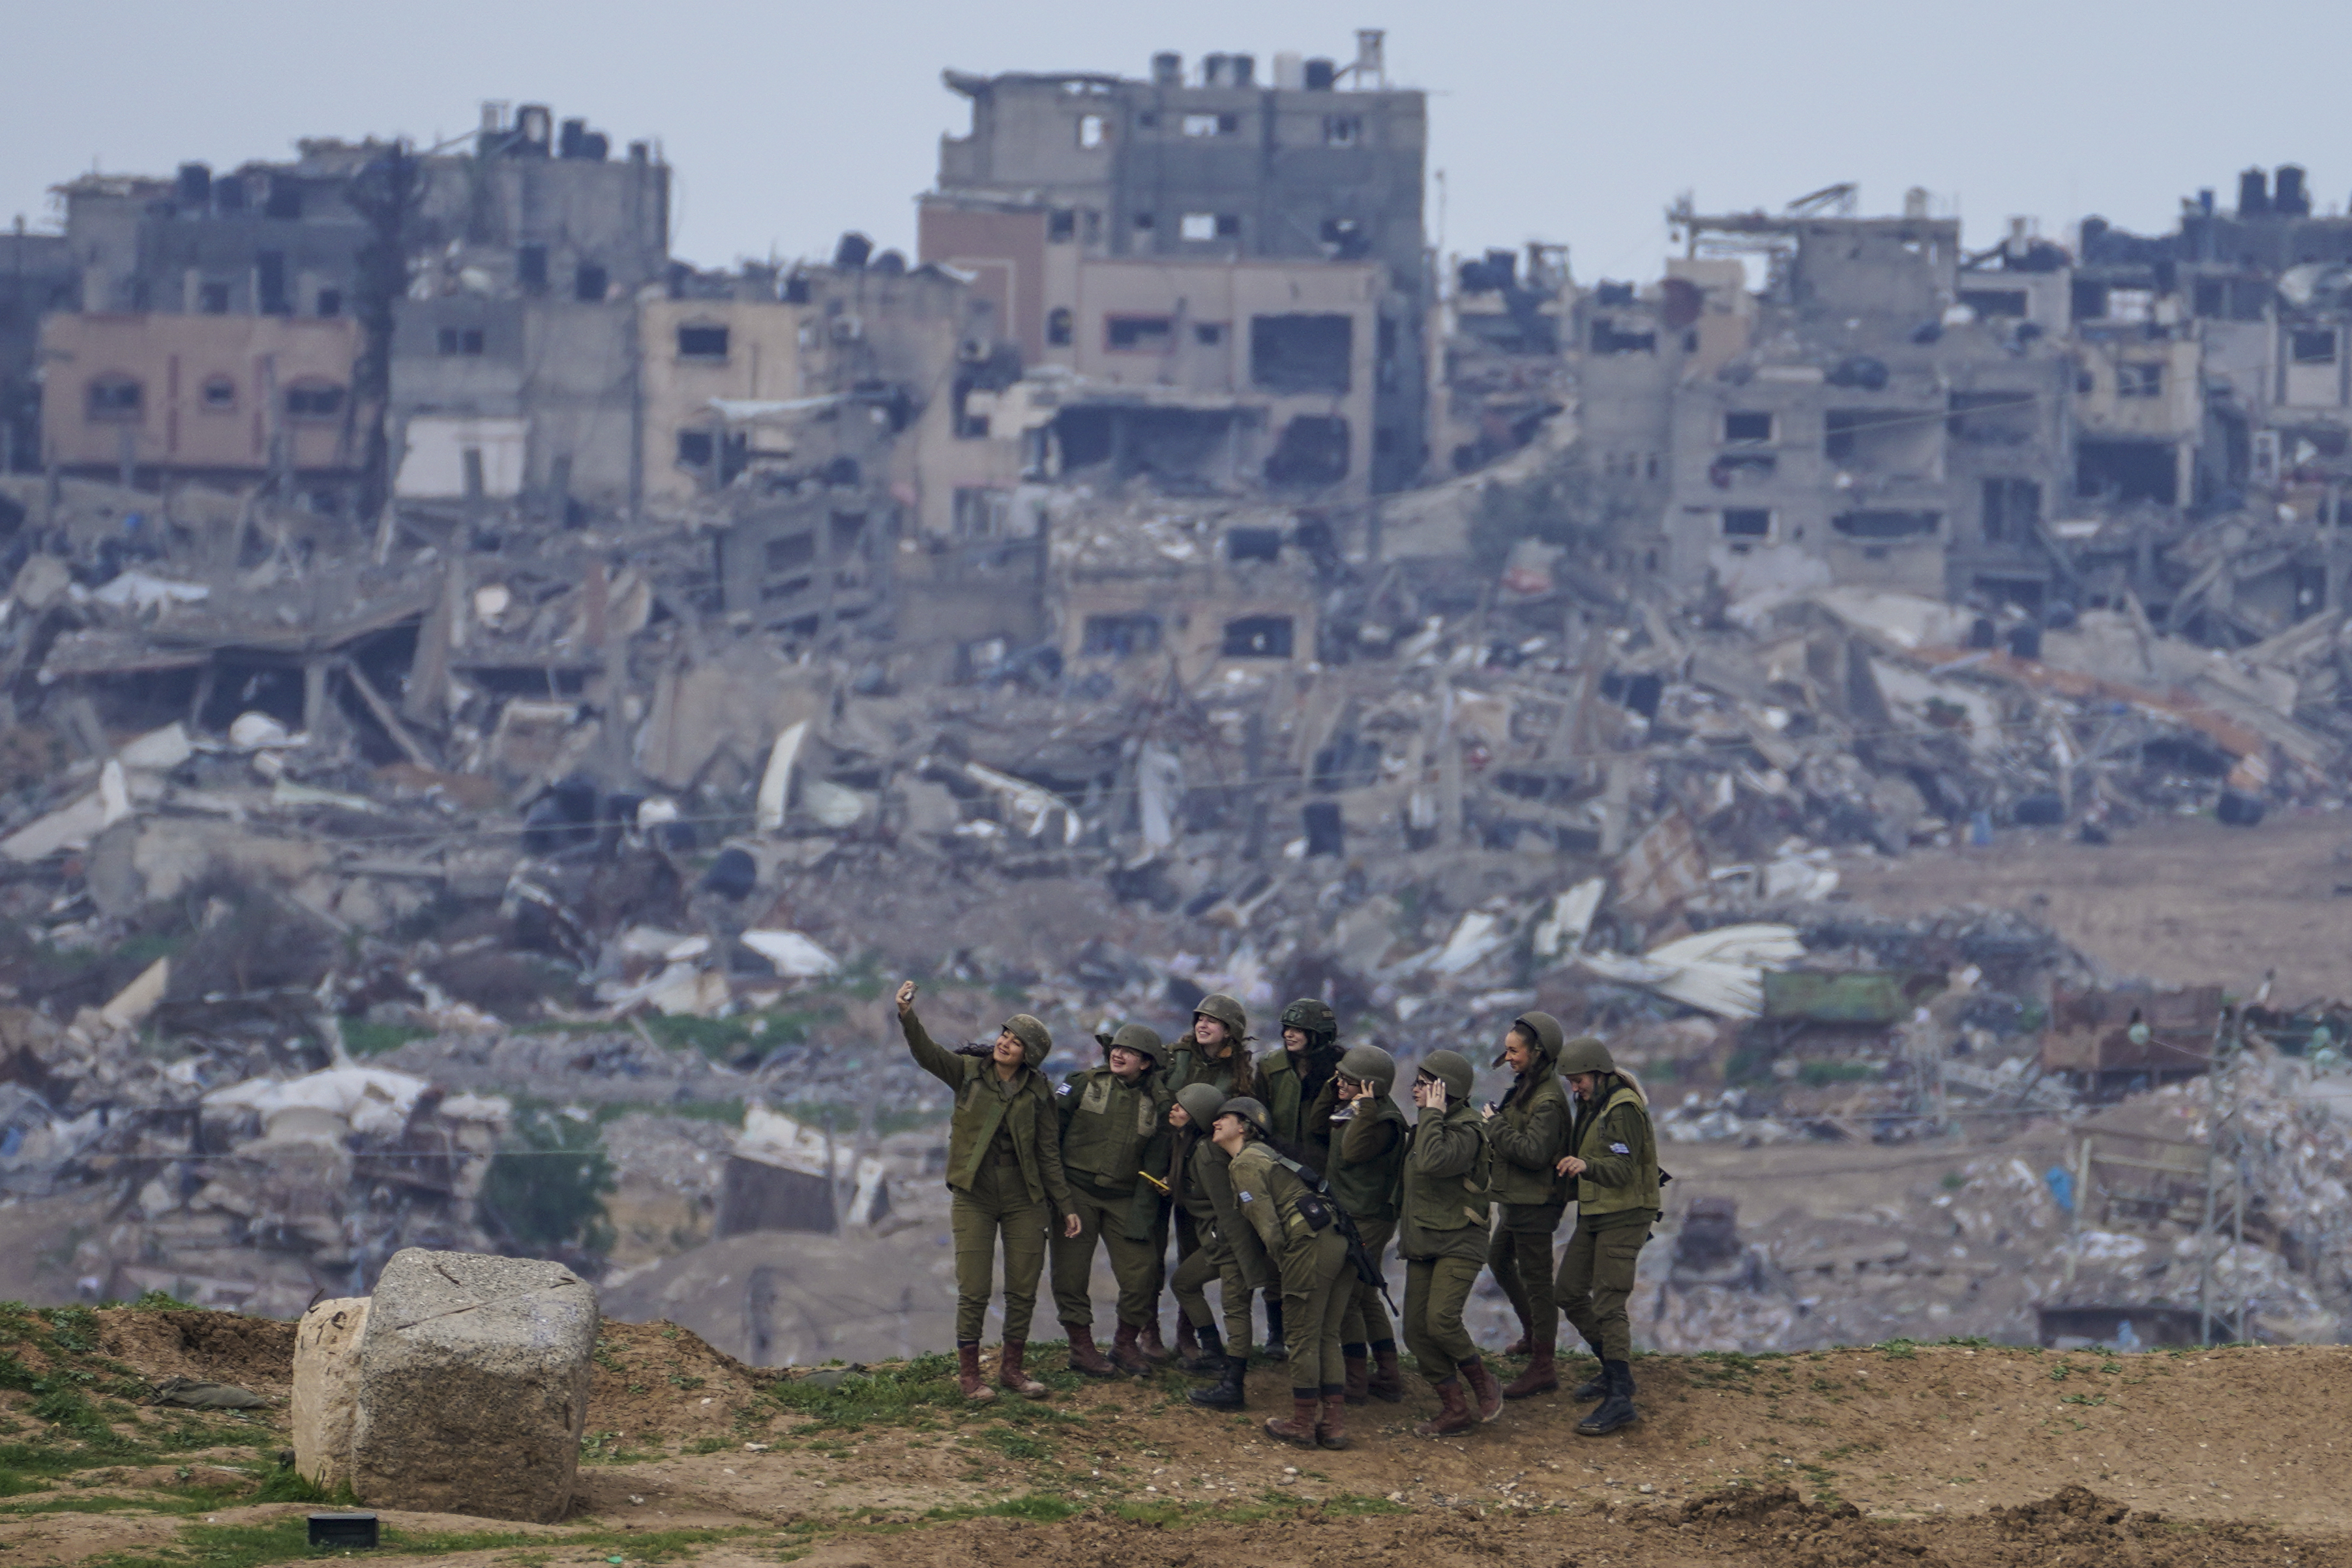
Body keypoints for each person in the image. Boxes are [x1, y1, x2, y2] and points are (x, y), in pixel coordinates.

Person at [895, 980, 1081, 1402]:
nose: (1004, 1044)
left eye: (1016, 1043)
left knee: (1022, 1286)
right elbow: (927, 1053)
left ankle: (1012, 1369)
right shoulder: (966, 1073)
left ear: (1028, 1055)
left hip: (1024, 1198)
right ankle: (968, 1377)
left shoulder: (1038, 1093)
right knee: (974, 1287)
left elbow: (1048, 1152)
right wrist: (907, 1015)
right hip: (974, 1194)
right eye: (1004, 1035)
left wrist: (1065, 1205)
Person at [1214, 1095, 1353, 1450]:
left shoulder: (1245, 1162)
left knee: (1302, 1333)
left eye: (1225, 1118)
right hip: (1337, 1237)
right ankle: (1333, 1426)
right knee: (1326, 1334)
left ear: (1244, 1127)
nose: (1216, 1122)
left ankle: (1304, 1423)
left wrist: (1285, 1263)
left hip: (1307, 1242)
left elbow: (1269, 1228)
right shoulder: (1271, 1158)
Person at [1551, 1033, 1660, 1438]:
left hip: (1626, 1213)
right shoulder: (1595, 1105)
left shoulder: (1623, 1109)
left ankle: (1619, 1398)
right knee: (1567, 1291)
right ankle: (1613, 1368)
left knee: (1609, 1303)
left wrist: (1586, 1166)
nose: (1574, 1088)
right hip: (1596, 1211)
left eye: (1578, 1080)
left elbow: (1622, 1171)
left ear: (1597, 1074)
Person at [1050, 1022, 1174, 1377]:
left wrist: (1146, 1206)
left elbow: (1157, 1159)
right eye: (1116, 1048)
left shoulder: (1158, 1104)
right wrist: (1058, 1195)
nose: (1119, 1055)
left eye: (1130, 1052)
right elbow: (1051, 1133)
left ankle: (1124, 1344)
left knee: (1142, 1274)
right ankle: (1081, 1348)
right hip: (1076, 1192)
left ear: (1146, 1063)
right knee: (1070, 1276)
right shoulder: (1083, 1084)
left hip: (1125, 1196)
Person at [1397, 1048, 1501, 1437]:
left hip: (1461, 1239)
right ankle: (1454, 1408)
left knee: (1441, 1320)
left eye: (1424, 1085)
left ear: (1446, 1091)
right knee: (1415, 1331)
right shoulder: (1430, 1124)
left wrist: (1432, 1114)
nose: (1415, 1090)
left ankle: (1483, 1384)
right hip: (1424, 1238)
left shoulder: (1466, 1130)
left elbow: (1434, 1162)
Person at [1158, 993, 1257, 1365]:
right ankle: (1196, 1344)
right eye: (1199, 1017)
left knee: (1193, 1260)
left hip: (1206, 1168)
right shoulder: (1177, 1058)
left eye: (1212, 1021)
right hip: (1173, 1159)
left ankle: (1202, 1347)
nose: (1202, 1024)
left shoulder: (1241, 1075)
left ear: (1230, 1032)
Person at [1482, 1010, 1572, 1398]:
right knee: (1499, 1261)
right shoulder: (1526, 1087)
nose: (1509, 1058)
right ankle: (1533, 1335)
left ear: (1538, 1053)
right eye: (1507, 1051)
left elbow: (1535, 1153)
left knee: (1538, 1283)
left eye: (1515, 1051)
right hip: (1517, 1200)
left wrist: (1494, 1125)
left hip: (1536, 1203)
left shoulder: (1547, 1100)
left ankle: (1543, 1365)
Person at [1165, 1082, 1264, 1409]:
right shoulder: (1189, 1145)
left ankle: (1233, 1385)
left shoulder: (1207, 1154)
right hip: (1217, 1242)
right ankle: (1213, 1353)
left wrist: (1243, 1259)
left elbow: (1228, 1208)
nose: (1174, 1110)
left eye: (1182, 1107)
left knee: (1236, 1311)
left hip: (1229, 1244)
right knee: (1183, 1283)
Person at [1256, 996, 1343, 1361]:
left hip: (1326, 1175)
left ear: (1317, 1035)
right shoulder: (1271, 1068)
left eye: (1299, 1030)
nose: (1289, 1035)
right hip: (1280, 1171)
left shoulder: (1343, 1069)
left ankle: (1327, 1340)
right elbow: (1258, 1115)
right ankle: (1278, 1333)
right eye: (1287, 1028)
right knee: (1275, 1254)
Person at [1328, 1043, 1407, 1405]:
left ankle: (1356, 1381)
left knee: (1347, 1299)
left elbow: (1353, 1151)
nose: (1338, 1082)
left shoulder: (1381, 1120)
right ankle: (1388, 1375)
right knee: (1366, 1296)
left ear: (1370, 1085)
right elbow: (1319, 1125)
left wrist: (1366, 1108)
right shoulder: (1357, 1110)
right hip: (1355, 1212)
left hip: (1368, 1218)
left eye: (1347, 1079)